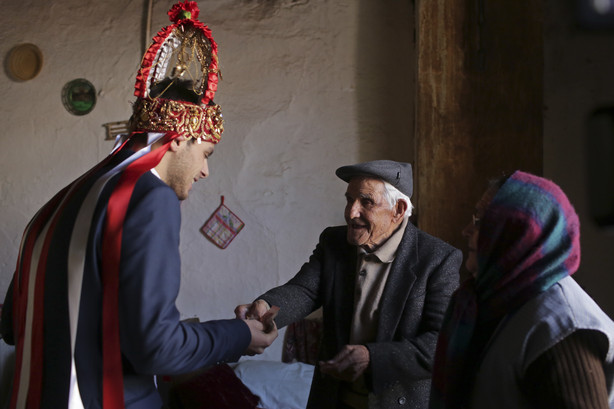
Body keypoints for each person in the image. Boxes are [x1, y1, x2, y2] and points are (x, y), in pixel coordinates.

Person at [0, 2, 277, 408]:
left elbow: (11, 325)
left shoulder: (64, 198)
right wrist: (240, 336)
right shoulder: (151, 198)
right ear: (180, 138)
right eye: (207, 154)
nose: (204, 172)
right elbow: (156, 348)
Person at [236, 160, 462, 409]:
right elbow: (305, 290)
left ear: (398, 209)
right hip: (334, 399)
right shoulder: (334, 242)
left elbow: (441, 342)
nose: (351, 212)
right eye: (349, 199)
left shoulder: (438, 259)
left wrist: (371, 358)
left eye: (366, 202)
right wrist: (266, 306)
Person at [430, 170, 614, 409]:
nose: (466, 230)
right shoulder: (491, 300)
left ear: (521, 233)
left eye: (480, 221)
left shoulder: (561, 329)